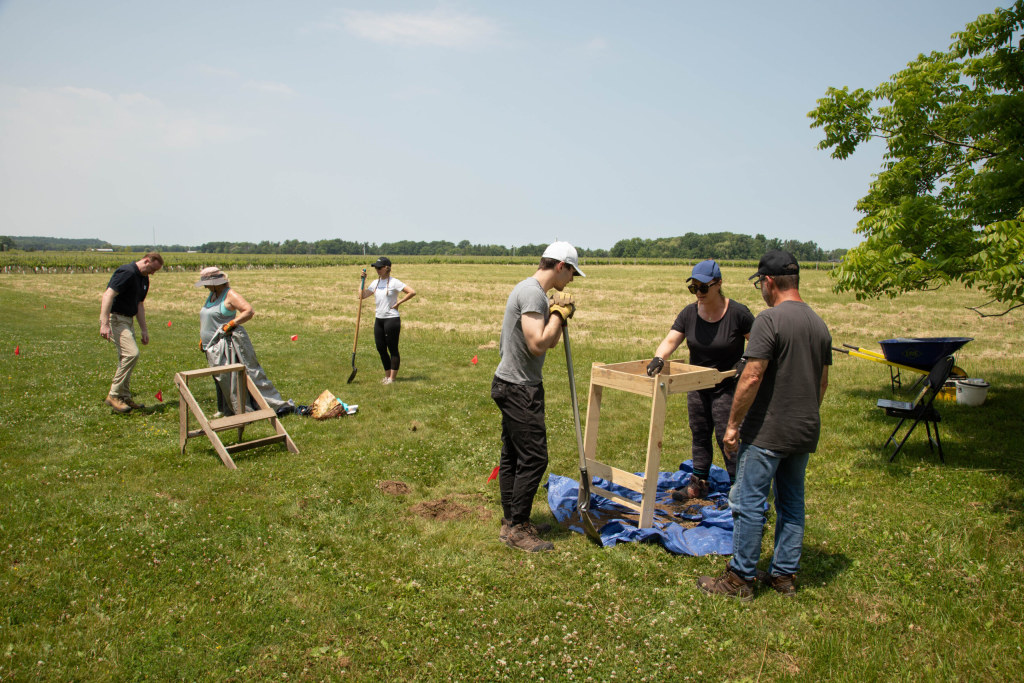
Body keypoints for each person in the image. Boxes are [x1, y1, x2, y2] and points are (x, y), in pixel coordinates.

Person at [697, 250, 831, 601]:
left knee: (747, 500)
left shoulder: (769, 321)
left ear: (769, 282)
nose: (760, 290)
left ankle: (740, 578)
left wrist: (732, 426)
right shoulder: (819, 323)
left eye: (760, 284)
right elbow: (822, 383)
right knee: (792, 502)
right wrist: (805, 414)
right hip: (803, 431)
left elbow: (752, 376)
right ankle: (784, 575)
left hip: (767, 432)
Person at [492, 241, 584, 552]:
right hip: (519, 388)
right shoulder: (532, 293)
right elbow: (536, 343)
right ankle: (518, 529)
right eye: (572, 272)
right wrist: (558, 313)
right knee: (534, 457)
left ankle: (512, 522)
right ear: (561, 265)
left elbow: (550, 343)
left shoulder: (535, 293)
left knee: (514, 456)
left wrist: (559, 314)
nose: (571, 279)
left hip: (514, 383)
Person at [646, 259, 754, 497]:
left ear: (718, 284)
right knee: (700, 431)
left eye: (703, 287)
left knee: (727, 436)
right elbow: (672, 339)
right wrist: (659, 358)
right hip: (697, 384)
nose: (698, 293)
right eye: (693, 287)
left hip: (727, 386)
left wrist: (745, 360)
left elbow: (758, 342)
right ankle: (699, 484)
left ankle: (739, 489)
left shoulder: (738, 314)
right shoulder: (689, 313)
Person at [196, 267, 294, 417]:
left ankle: (254, 406)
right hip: (211, 346)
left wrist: (232, 323)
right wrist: (204, 339)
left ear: (216, 282)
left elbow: (248, 311)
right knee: (219, 378)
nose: (204, 286)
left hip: (226, 345)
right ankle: (225, 408)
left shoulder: (230, 294)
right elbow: (209, 318)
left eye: (207, 283)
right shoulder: (212, 295)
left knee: (233, 378)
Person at [99, 252, 164, 413]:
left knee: (126, 358)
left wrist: (144, 329)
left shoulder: (144, 279)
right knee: (131, 354)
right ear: (147, 260)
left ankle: (125, 396)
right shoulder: (127, 272)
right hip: (117, 319)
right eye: (152, 269)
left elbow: (140, 305)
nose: (153, 273)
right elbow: (108, 295)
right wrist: (104, 323)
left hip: (128, 320)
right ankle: (113, 395)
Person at [359, 257, 416, 384]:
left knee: (392, 348)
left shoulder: (395, 282)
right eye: (376, 268)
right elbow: (361, 296)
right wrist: (362, 281)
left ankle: (392, 378)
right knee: (381, 348)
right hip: (379, 319)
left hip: (392, 319)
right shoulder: (375, 283)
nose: (377, 270)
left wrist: (399, 303)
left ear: (387, 268)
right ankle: (387, 375)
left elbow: (412, 292)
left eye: (379, 268)